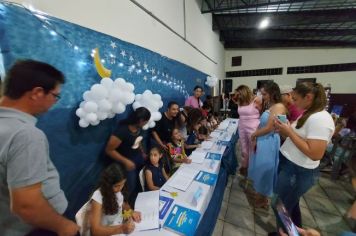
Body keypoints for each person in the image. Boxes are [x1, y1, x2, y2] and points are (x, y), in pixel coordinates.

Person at [0, 60, 79, 236]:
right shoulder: (26, 135)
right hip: (39, 227)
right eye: (55, 96)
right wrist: (63, 226)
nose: (54, 102)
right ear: (37, 92)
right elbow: (27, 205)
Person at [273, 82, 335, 232]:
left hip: (297, 170)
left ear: (308, 97)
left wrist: (289, 132)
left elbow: (315, 154)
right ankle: (293, 232)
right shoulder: (309, 113)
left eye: (295, 99)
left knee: (280, 206)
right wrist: (285, 129)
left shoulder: (321, 119)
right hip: (291, 166)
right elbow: (298, 137)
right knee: (291, 206)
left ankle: (284, 233)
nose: (292, 102)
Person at [248, 82, 287, 208]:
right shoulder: (271, 105)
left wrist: (254, 134)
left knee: (265, 168)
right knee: (259, 167)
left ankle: (263, 198)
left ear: (272, 93)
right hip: (263, 139)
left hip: (268, 141)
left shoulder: (279, 106)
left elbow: (270, 128)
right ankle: (261, 195)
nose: (263, 96)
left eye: (265, 94)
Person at [105, 107, 151, 206]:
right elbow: (109, 150)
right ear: (141, 121)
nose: (146, 124)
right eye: (146, 121)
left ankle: (138, 203)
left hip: (137, 159)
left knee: (140, 182)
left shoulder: (139, 128)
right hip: (126, 163)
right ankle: (125, 207)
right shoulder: (122, 131)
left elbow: (138, 140)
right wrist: (125, 161)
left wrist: (142, 152)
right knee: (130, 187)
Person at [89, 163, 141, 236]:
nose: (120, 188)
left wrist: (130, 212)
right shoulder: (97, 198)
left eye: (123, 184)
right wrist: (121, 229)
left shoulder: (118, 190)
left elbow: (122, 204)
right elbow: (95, 231)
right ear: (108, 184)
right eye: (116, 186)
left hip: (120, 227)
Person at [235, 85, 261, 178]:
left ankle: (253, 170)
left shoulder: (256, 100)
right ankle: (244, 167)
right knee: (244, 149)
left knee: (253, 149)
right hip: (242, 126)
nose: (237, 96)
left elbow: (262, 113)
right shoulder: (240, 101)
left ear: (244, 92)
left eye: (239, 94)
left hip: (253, 127)